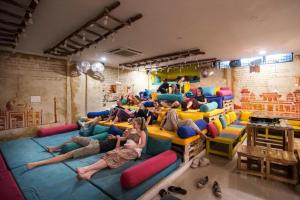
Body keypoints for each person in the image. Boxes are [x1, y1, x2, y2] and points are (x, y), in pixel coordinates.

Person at [76, 117, 147, 180]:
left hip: (133, 151)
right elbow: (125, 138)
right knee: (109, 154)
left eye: (134, 124)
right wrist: (116, 137)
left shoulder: (142, 133)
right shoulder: (132, 130)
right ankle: (89, 174)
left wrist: (133, 147)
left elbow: (142, 145)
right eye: (133, 123)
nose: (133, 125)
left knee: (115, 155)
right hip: (125, 147)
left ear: (139, 125)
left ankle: (86, 169)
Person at [26, 132, 129, 170]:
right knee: (75, 137)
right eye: (126, 130)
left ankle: (37, 163)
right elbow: (108, 138)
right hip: (95, 141)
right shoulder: (118, 136)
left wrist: (119, 139)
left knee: (68, 154)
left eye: (128, 132)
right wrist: (113, 137)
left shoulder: (124, 143)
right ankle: (54, 148)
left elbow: (116, 150)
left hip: (96, 148)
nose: (126, 131)